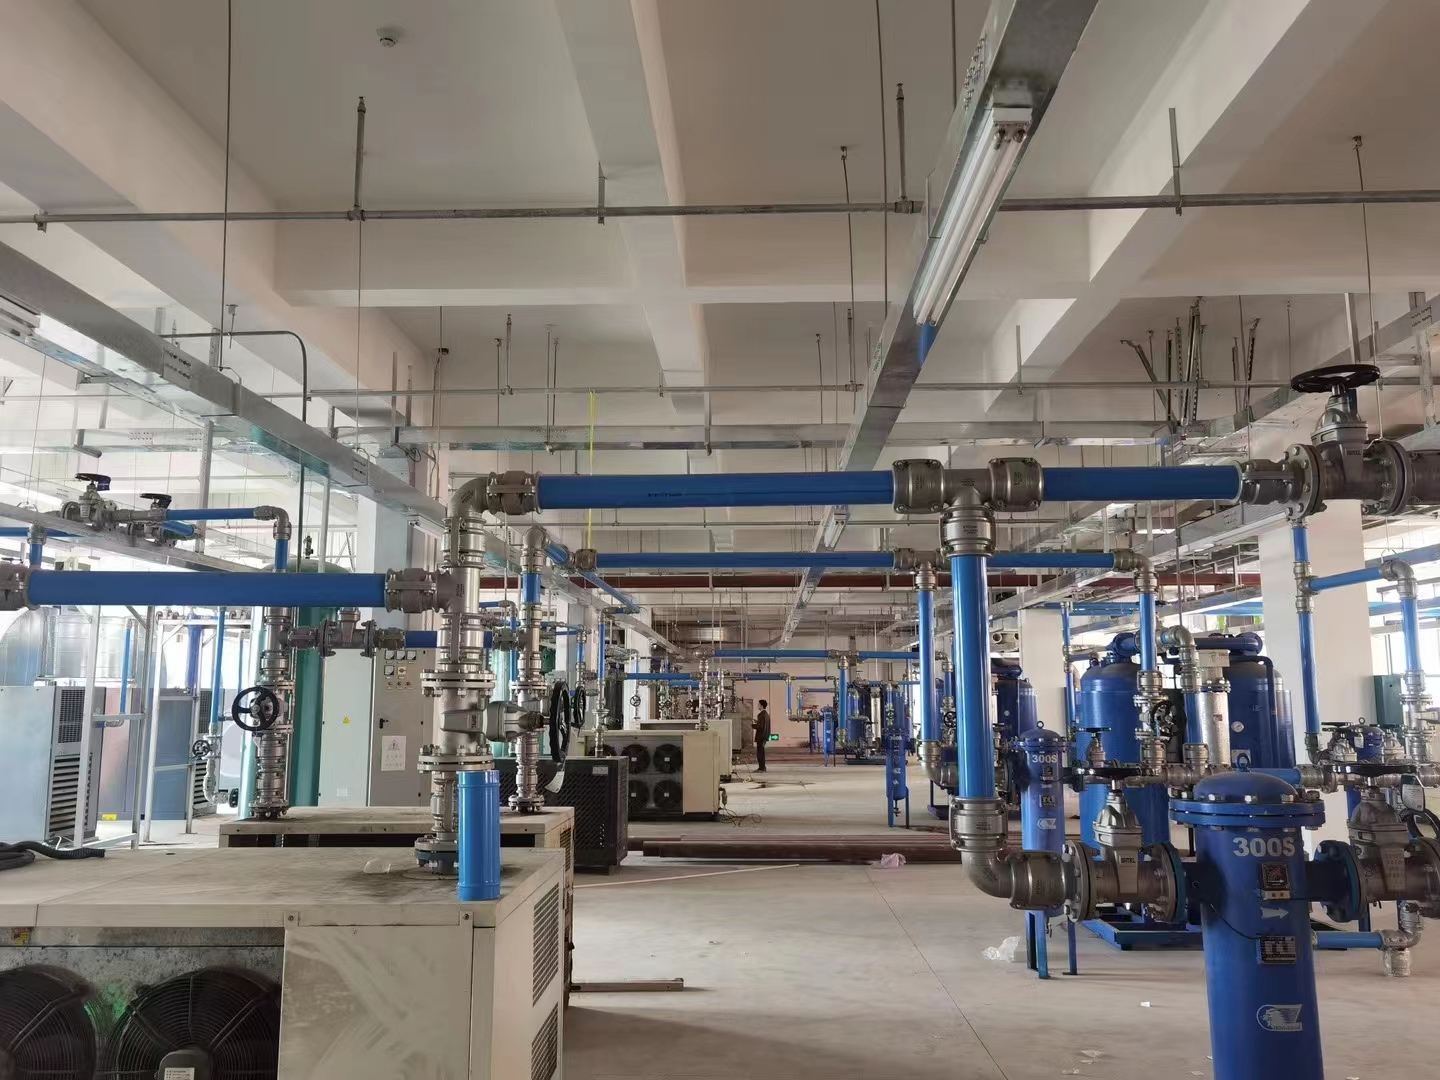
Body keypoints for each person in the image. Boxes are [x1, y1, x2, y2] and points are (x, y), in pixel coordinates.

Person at [754, 700, 771, 772]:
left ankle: (761, 768)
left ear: (761, 705)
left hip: (760, 736)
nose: (757, 706)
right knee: (762, 752)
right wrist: (757, 722)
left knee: (760, 753)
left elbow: (760, 727)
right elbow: (763, 725)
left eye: (758, 704)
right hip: (764, 736)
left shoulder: (761, 715)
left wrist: (753, 725)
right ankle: (763, 767)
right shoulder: (766, 715)